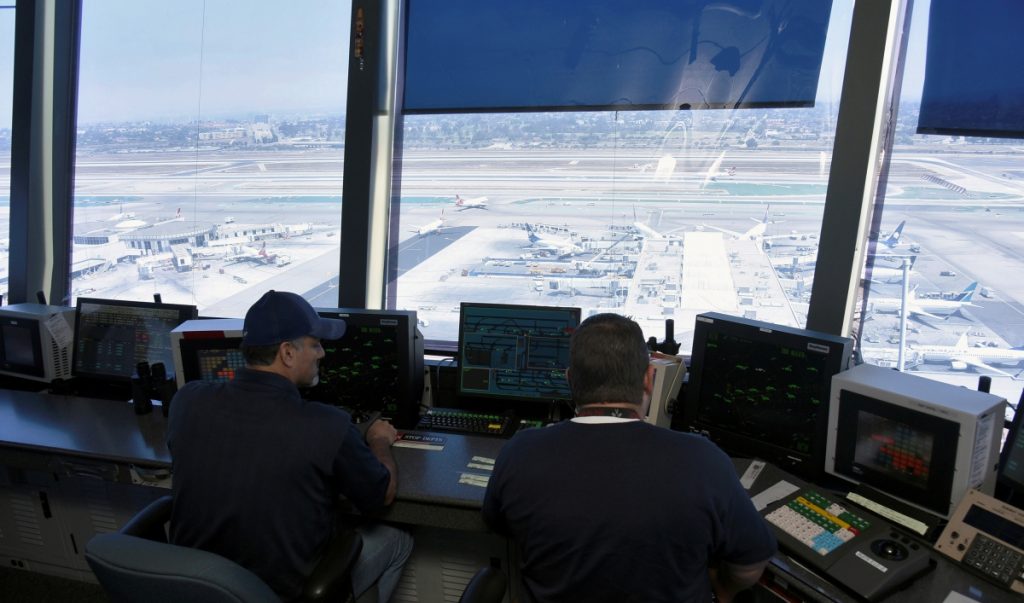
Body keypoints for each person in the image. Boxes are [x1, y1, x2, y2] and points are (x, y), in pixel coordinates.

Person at [482, 313, 776, 603]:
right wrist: (723, 590)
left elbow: (498, 524)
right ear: (649, 379)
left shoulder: (520, 452)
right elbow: (749, 565)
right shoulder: (705, 460)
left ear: (570, 380)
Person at [167, 290, 413, 602]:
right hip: (280, 596)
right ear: (287, 353)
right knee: (398, 538)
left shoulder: (187, 401)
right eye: (315, 344)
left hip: (198, 590)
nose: (322, 353)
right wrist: (379, 440)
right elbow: (382, 495)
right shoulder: (327, 425)